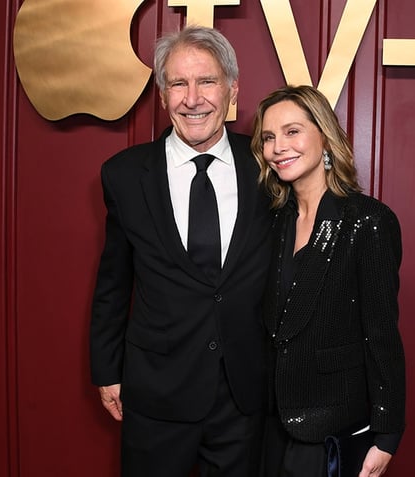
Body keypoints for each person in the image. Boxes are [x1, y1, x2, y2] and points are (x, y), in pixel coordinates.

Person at [89, 26, 272, 477]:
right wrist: (106, 368)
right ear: (163, 93)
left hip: (244, 395)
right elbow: (114, 280)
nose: (193, 98)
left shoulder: (267, 168)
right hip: (156, 392)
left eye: (207, 82)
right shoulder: (125, 175)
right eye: (178, 83)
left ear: (232, 89)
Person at [250, 85, 406, 477]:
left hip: (330, 428)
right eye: (269, 137)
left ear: (325, 137)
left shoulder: (367, 221)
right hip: (268, 424)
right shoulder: (272, 220)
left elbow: (381, 333)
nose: (278, 147)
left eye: (292, 131)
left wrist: (386, 434)